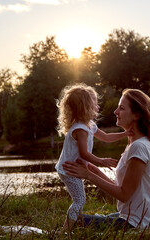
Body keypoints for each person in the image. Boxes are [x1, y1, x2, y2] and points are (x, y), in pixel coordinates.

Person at [63, 88, 150, 230]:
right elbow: (120, 187)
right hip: (135, 217)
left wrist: (88, 175)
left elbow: (124, 195)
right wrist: (93, 169)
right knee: (85, 218)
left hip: (140, 223)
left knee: (78, 222)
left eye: (121, 108)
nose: (115, 112)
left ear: (136, 115)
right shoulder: (134, 144)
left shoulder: (139, 147)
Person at [55, 84, 131, 230]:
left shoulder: (89, 125)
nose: (97, 107)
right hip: (69, 170)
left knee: (79, 200)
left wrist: (124, 134)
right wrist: (101, 161)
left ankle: (78, 225)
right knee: (79, 200)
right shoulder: (80, 129)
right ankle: (65, 231)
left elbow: (107, 137)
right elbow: (84, 154)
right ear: (86, 107)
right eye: (94, 104)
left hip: (75, 166)